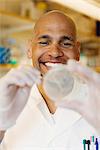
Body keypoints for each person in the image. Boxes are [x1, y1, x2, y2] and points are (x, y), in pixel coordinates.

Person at [0, 10, 99, 150]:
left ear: (77, 51)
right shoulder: (6, 102)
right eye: (44, 42)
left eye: (65, 43)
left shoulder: (96, 102)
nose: (55, 52)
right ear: (30, 49)